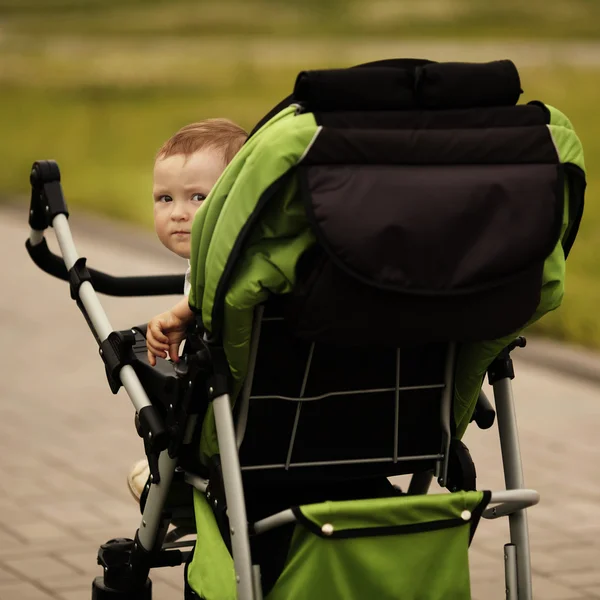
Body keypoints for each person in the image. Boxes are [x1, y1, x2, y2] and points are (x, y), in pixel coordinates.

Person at [127, 118, 248, 500]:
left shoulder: (229, 271)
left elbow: (218, 290)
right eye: (165, 199)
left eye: (197, 198)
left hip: (232, 428)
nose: (178, 213)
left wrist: (181, 313)